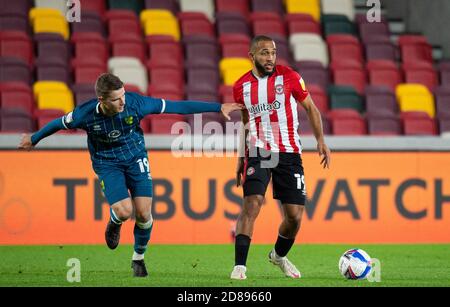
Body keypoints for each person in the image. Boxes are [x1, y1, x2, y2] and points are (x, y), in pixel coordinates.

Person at [18, 73, 243, 277]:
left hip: (135, 158)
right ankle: (115, 221)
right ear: (102, 101)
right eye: (116, 99)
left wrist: (217, 106)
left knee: (144, 213)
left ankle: (138, 258)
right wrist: (34, 138)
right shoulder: (83, 115)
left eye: (123, 95)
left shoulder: (136, 103)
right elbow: (58, 123)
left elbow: (177, 106)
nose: (122, 101)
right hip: (107, 163)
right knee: (125, 211)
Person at [230, 36, 331, 280]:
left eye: (273, 53)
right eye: (265, 53)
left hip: (289, 153)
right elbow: (245, 124)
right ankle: (240, 266)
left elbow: (311, 109)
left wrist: (321, 141)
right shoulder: (240, 86)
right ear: (252, 55)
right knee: (252, 203)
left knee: (294, 217)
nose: (270, 58)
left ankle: (278, 256)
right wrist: (240, 158)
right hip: (259, 151)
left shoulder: (290, 77)